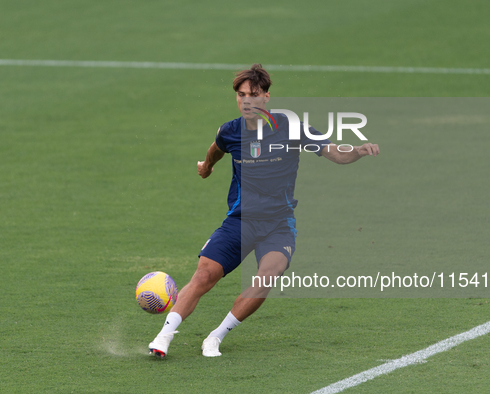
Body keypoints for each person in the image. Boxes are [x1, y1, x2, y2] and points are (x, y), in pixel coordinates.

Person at [148, 63, 379, 358]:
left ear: (267, 97)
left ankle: (215, 337)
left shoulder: (289, 127)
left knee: (268, 275)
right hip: (240, 221)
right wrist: (206, 167)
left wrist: (356, 152)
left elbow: (334, 152)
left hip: (277, 224)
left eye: (254, 95)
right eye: (241, 95)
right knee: (205, 275)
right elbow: (217, 147)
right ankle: (163, 337)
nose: (247, 101)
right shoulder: (230, 131)